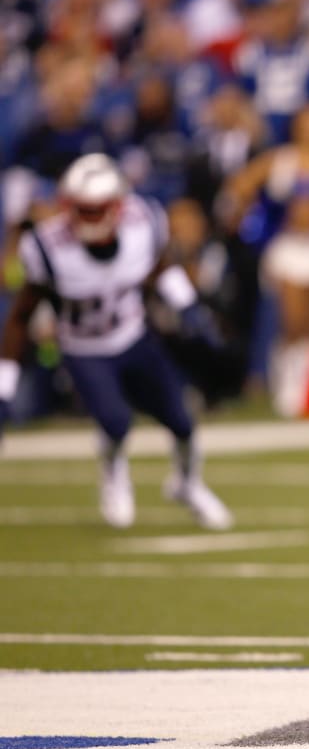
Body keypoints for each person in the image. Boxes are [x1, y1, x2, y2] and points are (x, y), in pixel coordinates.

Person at [0, 153, 233, 530]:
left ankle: (187, 484)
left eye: (98, 209)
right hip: (83, 347)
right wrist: (4, 388)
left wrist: (188, 306)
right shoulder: (48, 248)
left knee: (182, 421)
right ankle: (113, 476)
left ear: (118, 206)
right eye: (82, 209)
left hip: (133, 336)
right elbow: (20, 317)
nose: (90, 218)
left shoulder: (144, 223)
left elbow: (159, 267)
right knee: (115, 421)